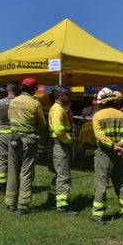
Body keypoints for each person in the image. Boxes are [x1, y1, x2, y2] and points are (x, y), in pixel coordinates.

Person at [89, 88, 123, 223]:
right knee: (122, 182)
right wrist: (120, 145)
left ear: (102, 103)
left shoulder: (98, 116)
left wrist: (113, 146)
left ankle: (97, 216)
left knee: (101, 184)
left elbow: (99, 136)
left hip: (104, 153)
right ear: (115, 103)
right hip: (121, 152)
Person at [4, 77, 48, 215]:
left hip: (14, 139)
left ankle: (10, 203)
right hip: (28, 140)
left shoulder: (14, 101)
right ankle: (23, 205)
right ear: (35, 89)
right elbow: (42, 124)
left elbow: (9, 117)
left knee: (13, 171)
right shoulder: (34, 103)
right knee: (26, 172)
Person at [48, 85, 78, 216]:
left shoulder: (62, 108)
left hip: (61, 144)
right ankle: (62, 207)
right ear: (61, 96)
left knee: (59, 174)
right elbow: (58, 129)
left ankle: (51, 200)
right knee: (63, 176)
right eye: (68, 96)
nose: (70, 98)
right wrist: (69, 141)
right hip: (61, 145)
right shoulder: (57, 109)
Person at [0, 81, 20, 195]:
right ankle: (15, 185)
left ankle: (1, 187)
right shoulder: (19, 102)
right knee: (16, 160)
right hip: (15, 134)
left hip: (2, 134)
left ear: (7, 90)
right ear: (16, 90)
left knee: (2, 159)